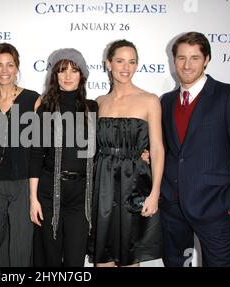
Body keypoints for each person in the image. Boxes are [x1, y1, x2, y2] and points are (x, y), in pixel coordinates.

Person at [160, 32, 230, 267]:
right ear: (173, 60)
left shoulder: (228, 95)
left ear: (206, 59)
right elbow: (170, 151)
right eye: (181, 58)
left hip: (213, 206)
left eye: (195, 58)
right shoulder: (166, 101)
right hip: (172, 209)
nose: (187, 65)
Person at [89, 39, 164, 267]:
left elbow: (158, 148)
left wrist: (155, 193)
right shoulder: (98, 103)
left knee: (131, 257)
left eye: (132, 62)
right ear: (108, 64)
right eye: (120, 61)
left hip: (136, 183)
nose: (126, 67)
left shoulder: (150, 100)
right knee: (102, 257)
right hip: (102, 185)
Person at [29, 48, 98, 267]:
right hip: (49, 193)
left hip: (80, 196)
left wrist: (142, 153)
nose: (68, 76)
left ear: (82, 75)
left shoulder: (92, 108)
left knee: (75, 261)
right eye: (62, 70)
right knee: (50, 259)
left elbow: (108, 143)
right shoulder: (44, 109)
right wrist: (33, 199)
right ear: (55, 75)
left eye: (74, 70)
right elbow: (35, 155)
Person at [0, 43, 40, 267]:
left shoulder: (33, 99)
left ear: (17, 67)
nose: (4, 70)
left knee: (22, 248)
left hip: (22, 183)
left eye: (10, 65)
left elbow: (43, 146)